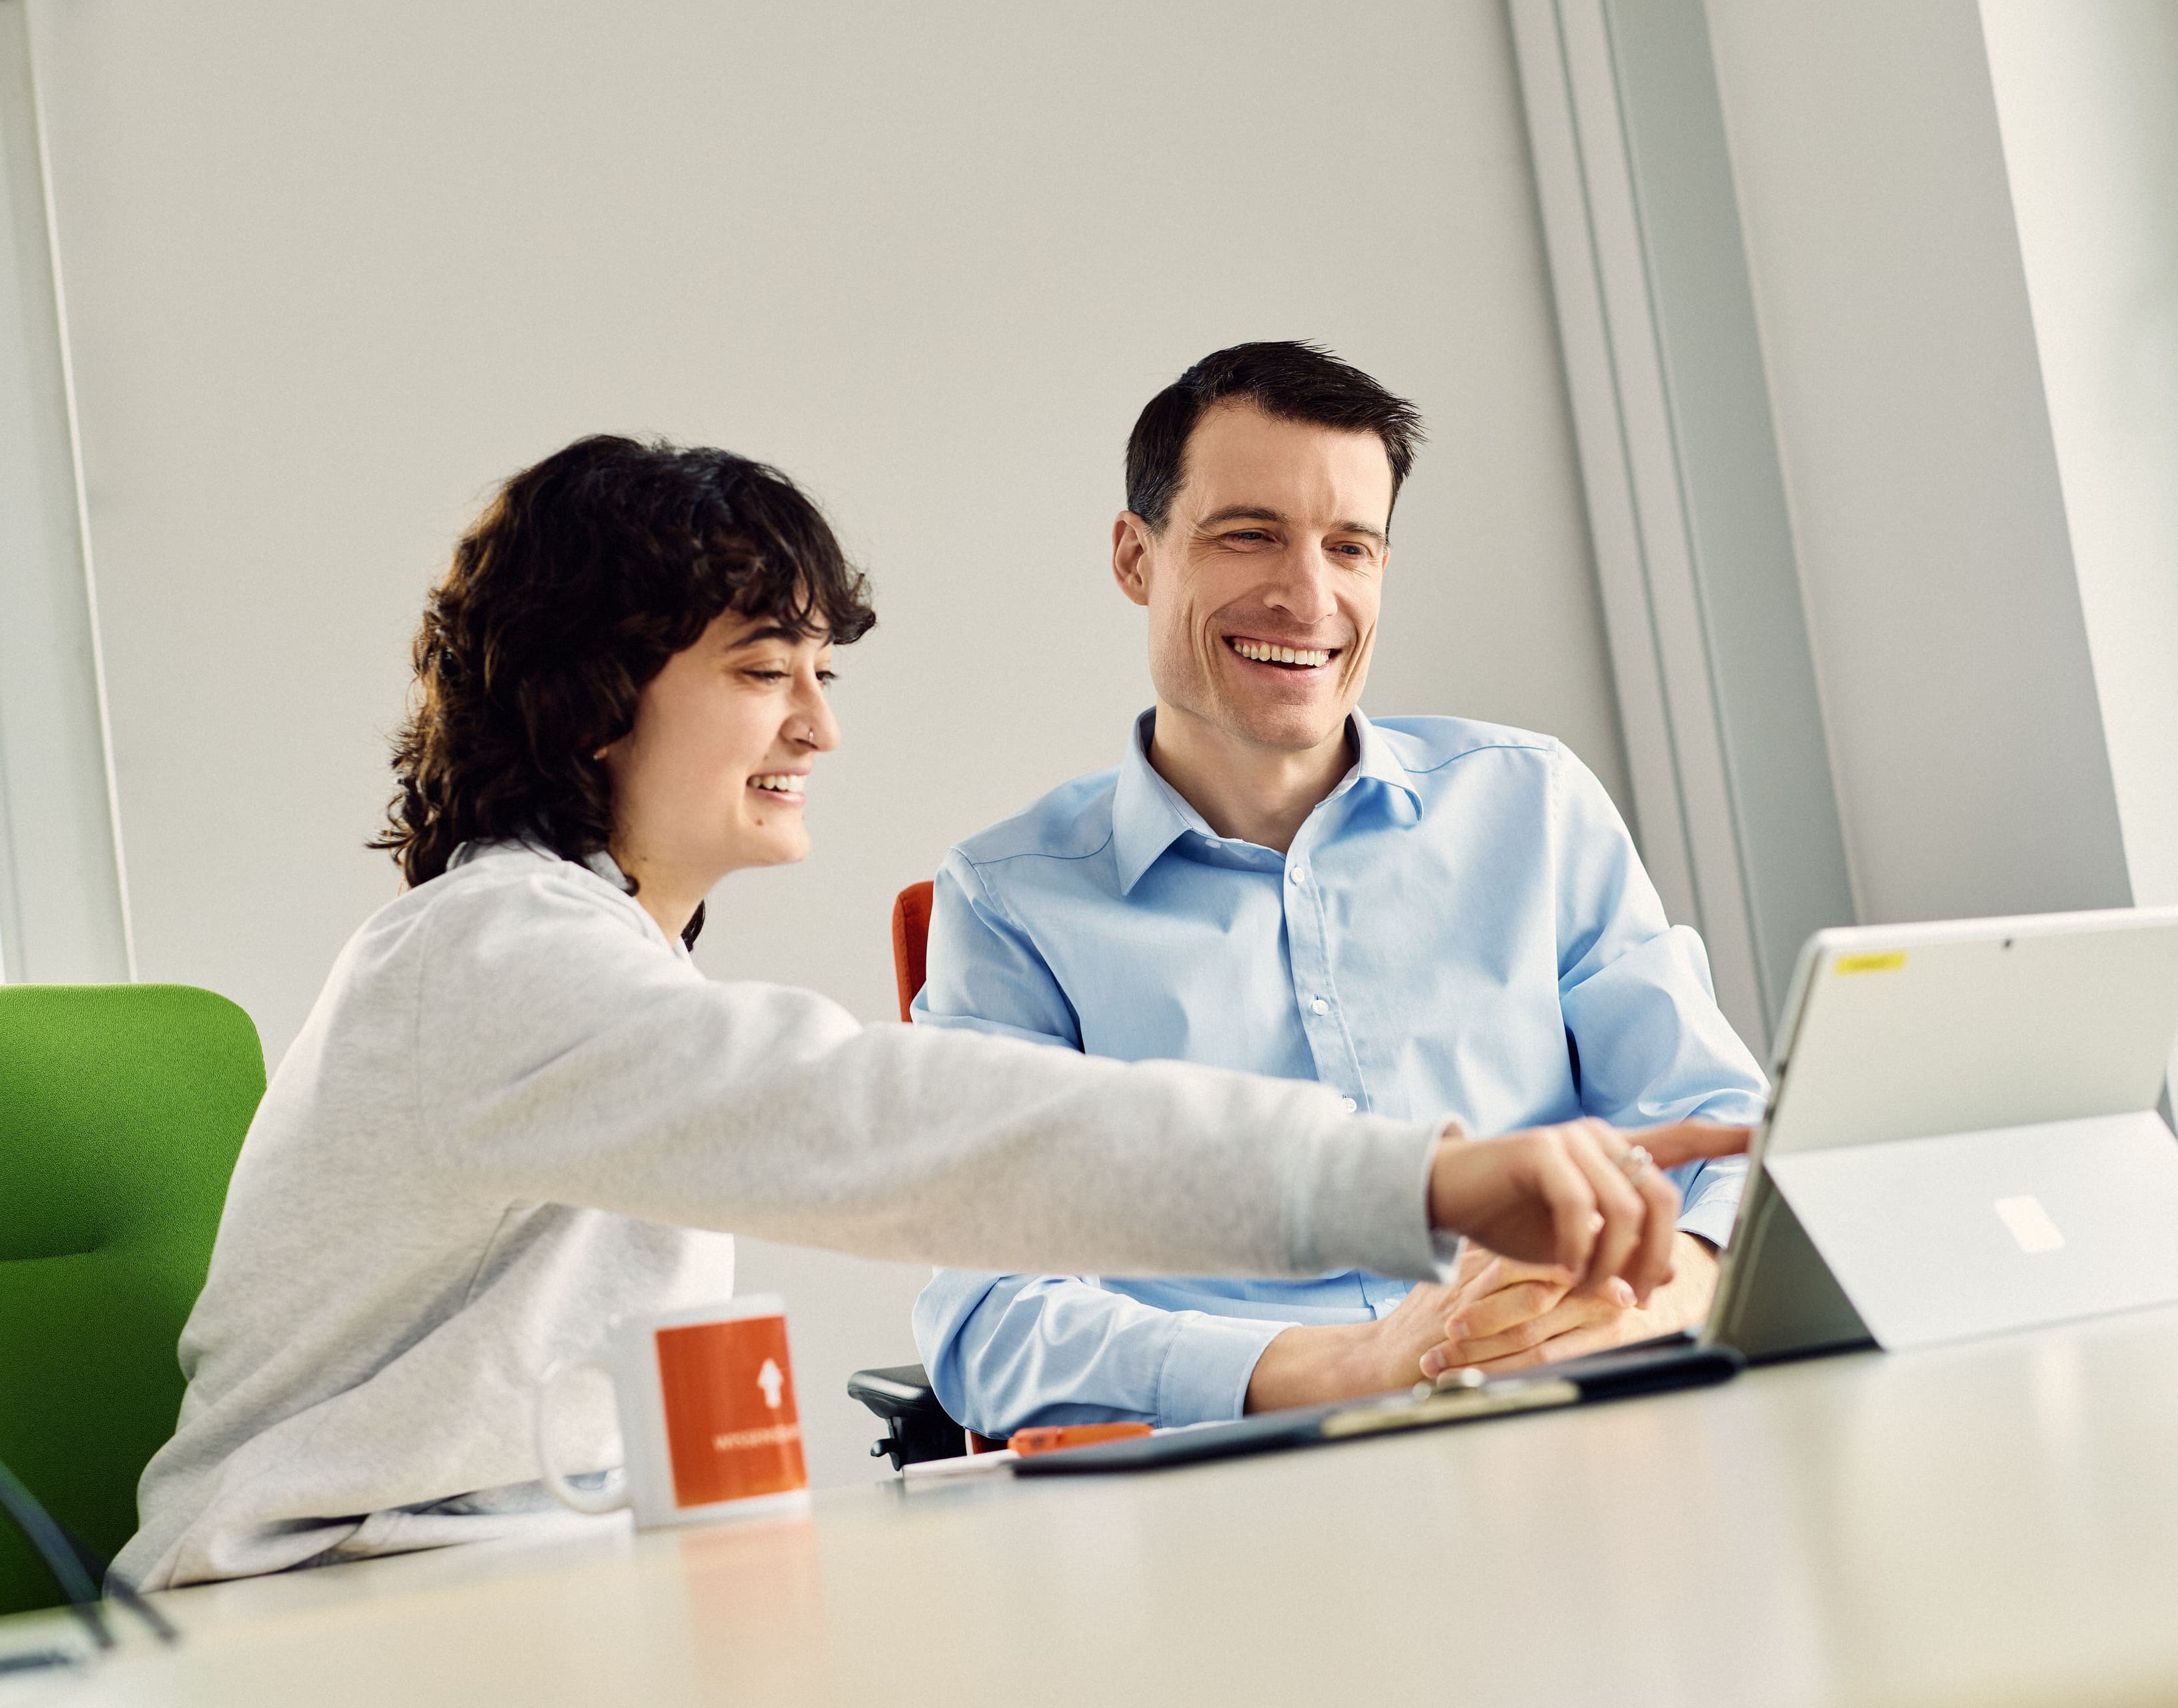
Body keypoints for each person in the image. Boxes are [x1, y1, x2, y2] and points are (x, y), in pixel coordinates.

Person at [115, 433, 1744, 1589]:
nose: (820, 726)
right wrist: (1424, 1180)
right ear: (594, 690)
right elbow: (902, 1126)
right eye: (766, 670)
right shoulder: (489, 958)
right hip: (318, 1608)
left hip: (522, 1580)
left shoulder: (600, 953)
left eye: (826, 672)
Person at [912, 344, 1768, 1438]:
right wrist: (1344, 1365)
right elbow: (989, 1315)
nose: (1307, 596)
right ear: (1136, 557)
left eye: (1350, 547)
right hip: (1253, 1479)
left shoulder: (1531, 805)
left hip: (1581, 1420)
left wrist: (1685, 1285)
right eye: (1249, 534)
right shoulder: (1010, 901)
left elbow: (1722, 1128)